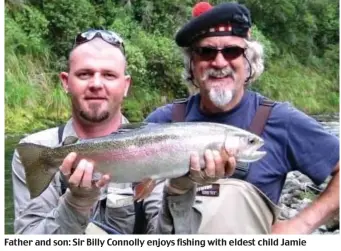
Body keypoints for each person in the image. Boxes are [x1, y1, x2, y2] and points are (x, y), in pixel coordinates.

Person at [11, 29, 236, 234]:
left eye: (109, 75)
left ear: (126, 85)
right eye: (84, 74)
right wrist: (75, 203)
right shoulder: (41, 151)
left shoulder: (159, 146)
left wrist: (180, 189)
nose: (96, 84)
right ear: (65, 81)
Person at [145, 2, 340, 234]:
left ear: (249, 62)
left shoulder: (282, 120)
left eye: (231, 51)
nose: (219, 62)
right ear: (192, 64)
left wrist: (299, 225)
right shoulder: (160, 122)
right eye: (206, 52)